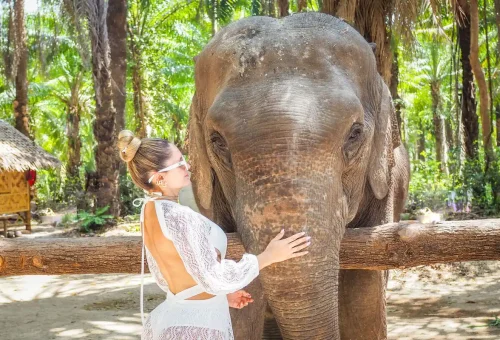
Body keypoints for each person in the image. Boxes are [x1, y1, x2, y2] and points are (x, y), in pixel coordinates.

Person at [117, 130, 311, 340]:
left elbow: (170, 277)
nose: (187, 166)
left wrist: (217, 297)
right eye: (179, 163)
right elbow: (214, 277)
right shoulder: (179, 216)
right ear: (160, 177)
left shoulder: (149, 211)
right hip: (197, 328)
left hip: (174, 321)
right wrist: (268, 256)